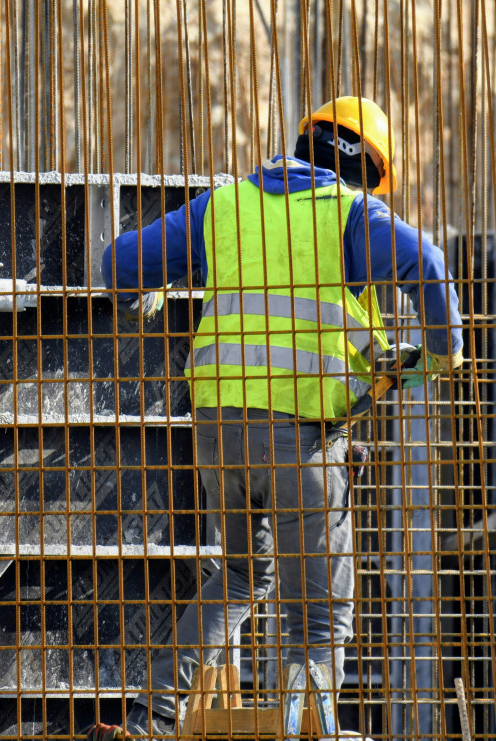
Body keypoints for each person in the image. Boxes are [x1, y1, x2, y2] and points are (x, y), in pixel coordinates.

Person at [86, 97, 465, 740]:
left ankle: (149, 721)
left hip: (217, 433)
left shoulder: (224, 206)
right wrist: (442, 350)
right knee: (318, 613)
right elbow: (425, 265)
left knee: (239, 574)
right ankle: (307, 731)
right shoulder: (350, 214)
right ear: (370, 170)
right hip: (304, 435)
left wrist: (138, 298)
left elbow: (119, 262)